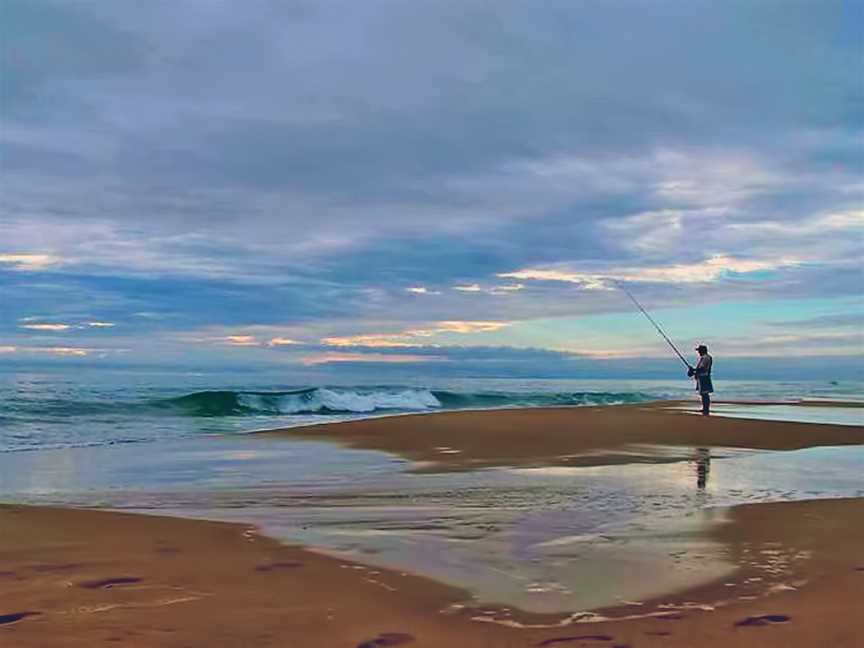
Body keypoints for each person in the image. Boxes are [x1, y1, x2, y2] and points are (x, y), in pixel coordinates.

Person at [687, 344, 713, 415]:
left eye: (699, 351)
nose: (698, 352)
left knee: (704, 394)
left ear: (702, 351)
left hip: (704, 377)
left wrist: (693, 370)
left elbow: (702, 368)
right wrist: (694, 370)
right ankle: (705, 408)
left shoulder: (705, 358)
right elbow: (701, 368)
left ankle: (706, 409)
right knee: (703, 394)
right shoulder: (706, 357)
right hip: (703, 377)